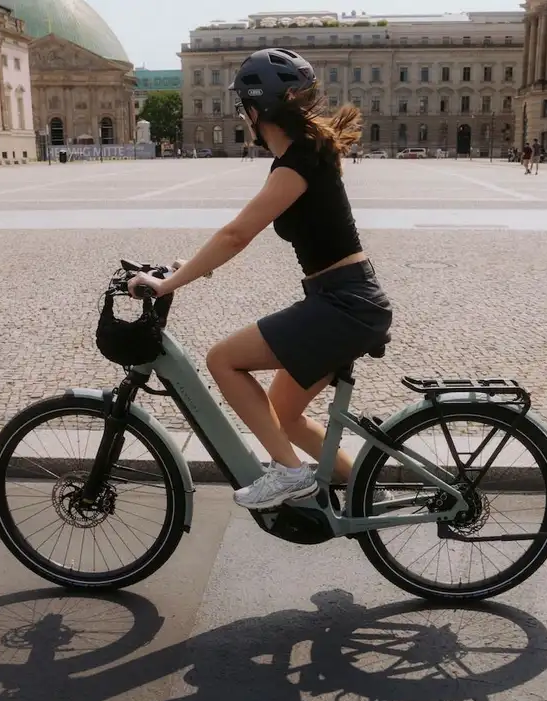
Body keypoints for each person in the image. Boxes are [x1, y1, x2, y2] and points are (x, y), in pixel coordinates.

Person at [127, 48, 392, 511]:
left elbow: (236, 234)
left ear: (256, 109)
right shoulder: (306, 153)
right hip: (346, 299)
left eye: (242, 106)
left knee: (223, 360)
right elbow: (237, 233)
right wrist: (179, 267)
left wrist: (169, 285)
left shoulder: (296, 164)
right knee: (284, 414)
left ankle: (289, 474)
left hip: (344, 305)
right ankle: (368, 491)